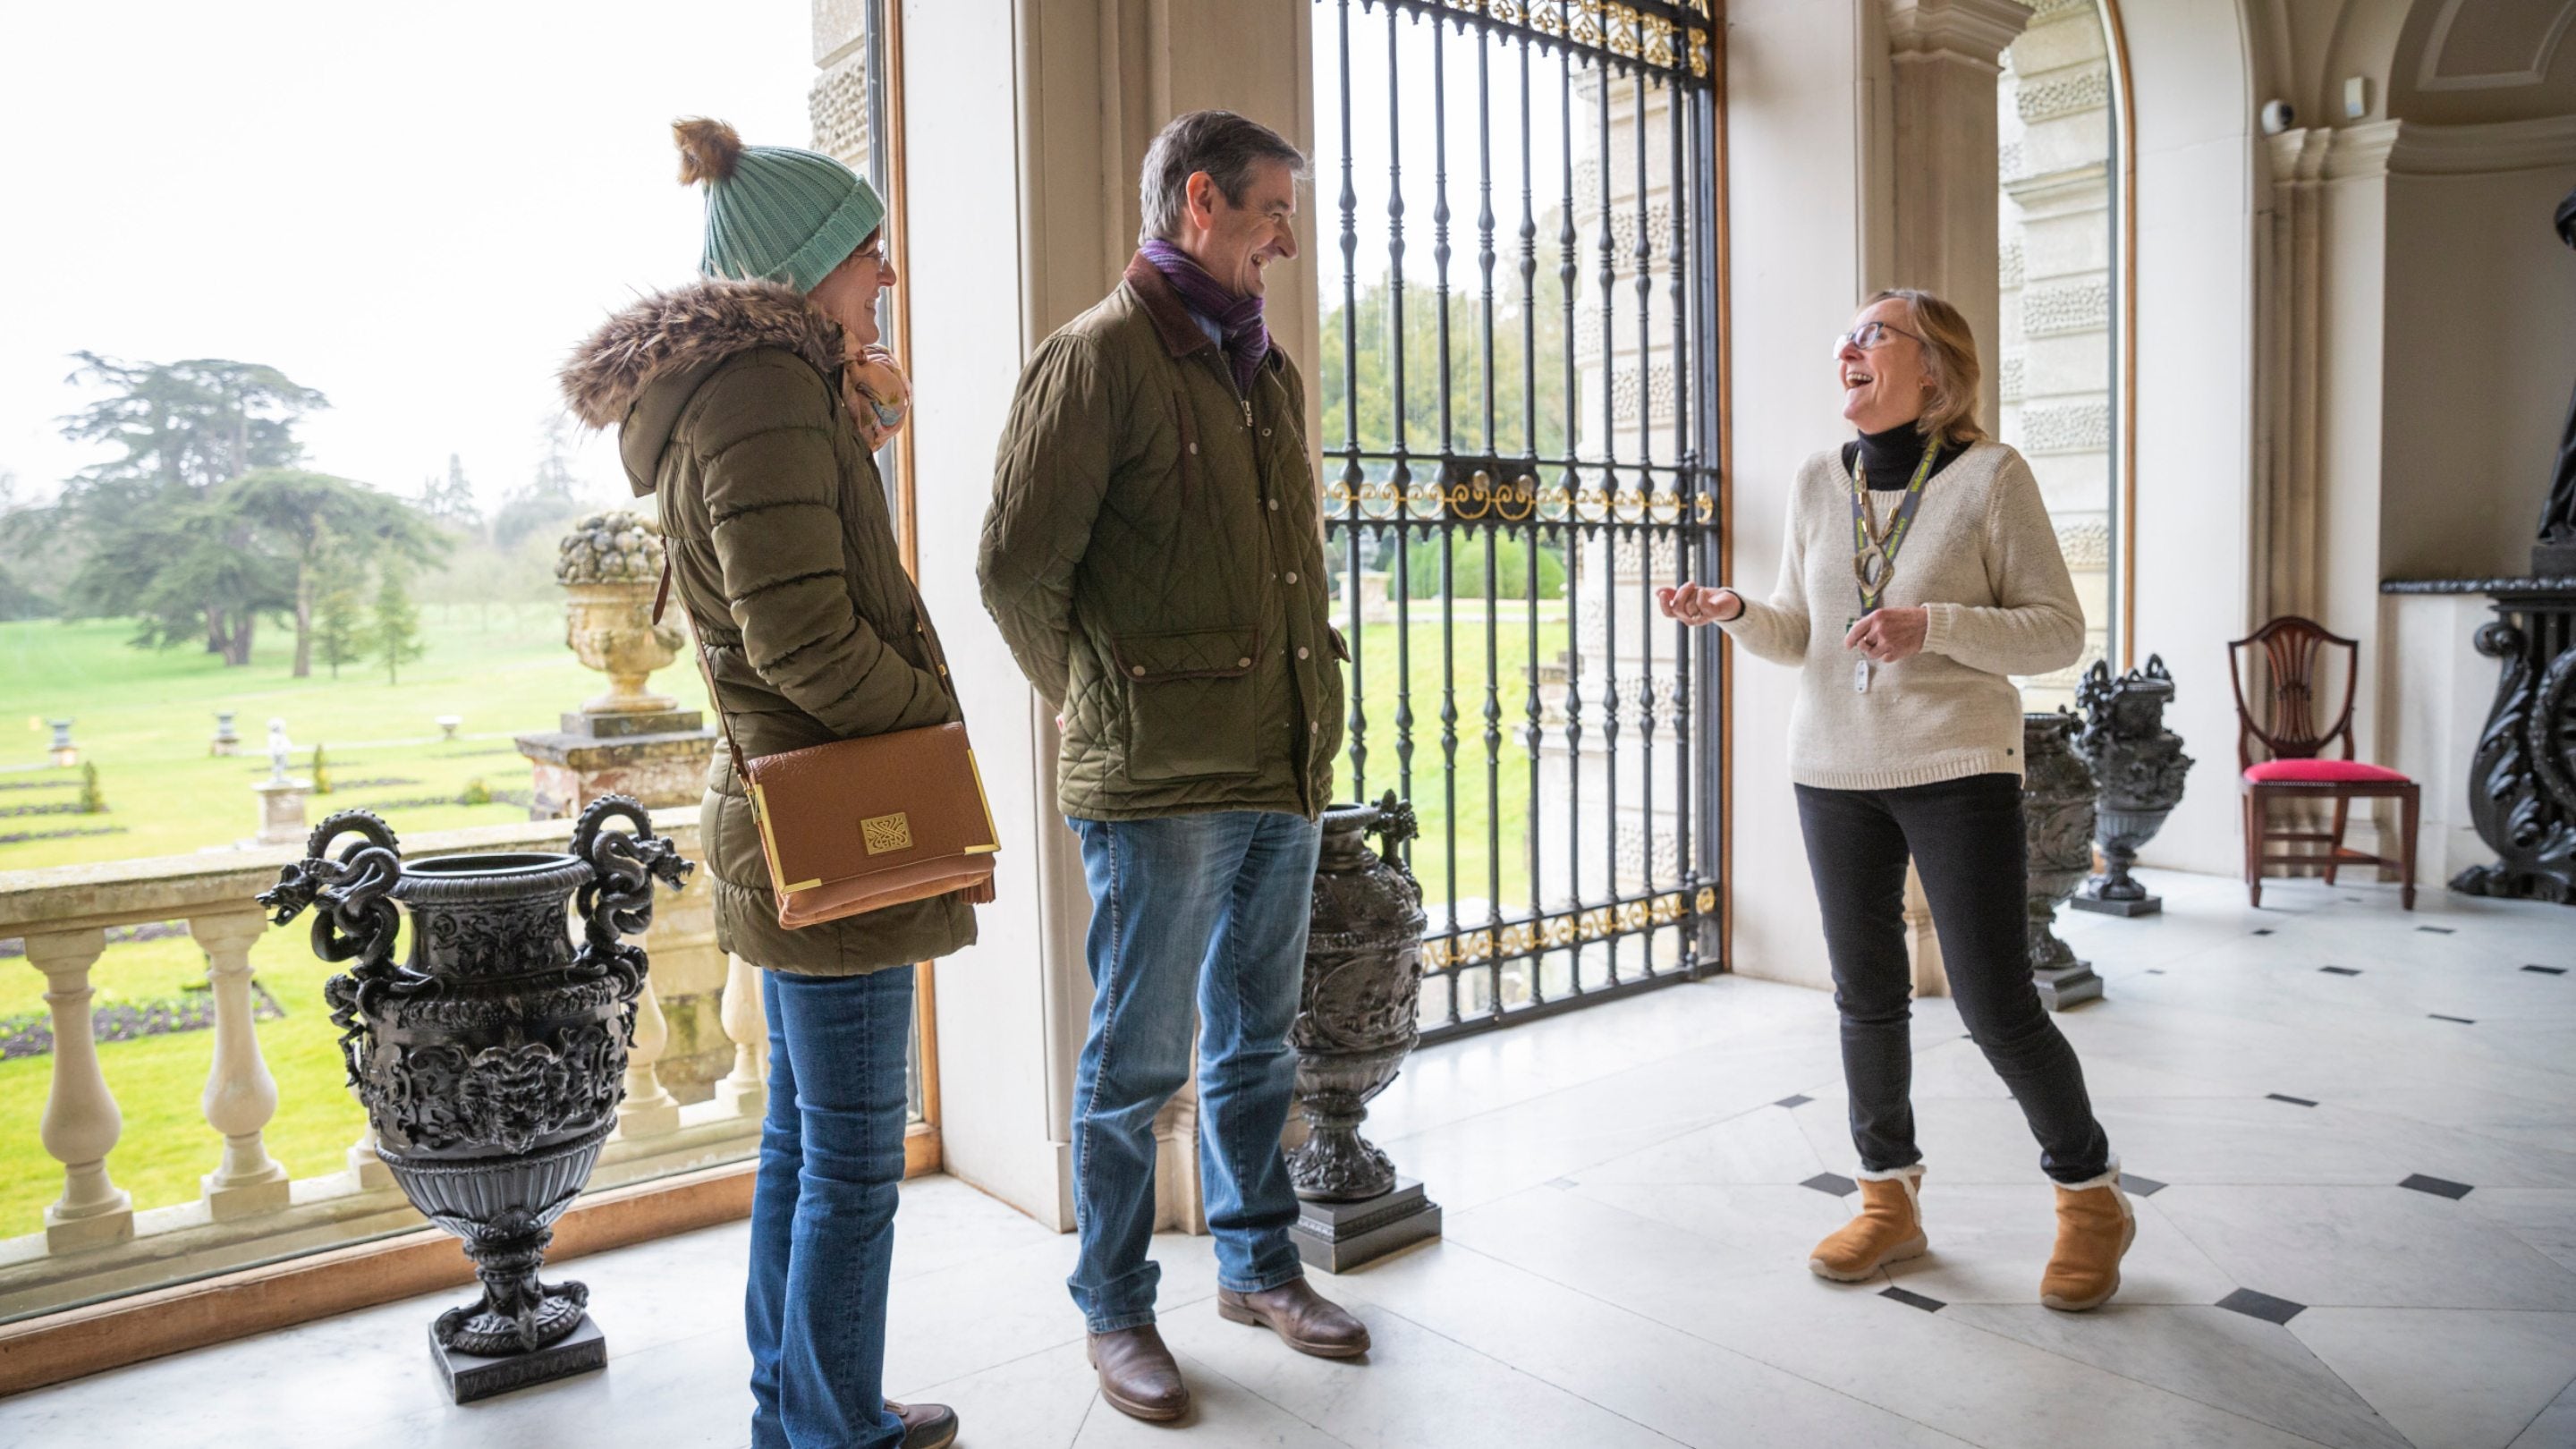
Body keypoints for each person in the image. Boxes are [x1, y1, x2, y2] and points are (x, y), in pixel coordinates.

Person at [562, 118, 970, 1449]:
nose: (885, 278)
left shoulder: (766, 386)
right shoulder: (760, 393)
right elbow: (805, 640)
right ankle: (834, 1431)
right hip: (835, 812)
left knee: (804, 1146)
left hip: (786, 810)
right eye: (867, 254)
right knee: (850, 1164)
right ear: (803, 266)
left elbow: (794, 587)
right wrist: (936, 727)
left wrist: (857, 409)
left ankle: (804, 1408)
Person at [979, 109, 1366, 1421]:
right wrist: (1105, 708)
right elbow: (1016, 572)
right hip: (1159, 787)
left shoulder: (1268, 372)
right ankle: (1114, 1308)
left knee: (1259, 1042)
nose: (1288, 240)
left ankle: (1258, 1270)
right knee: (1136, 1067)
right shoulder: (1092, 360)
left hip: (1283, 762)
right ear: (1200, 201)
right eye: (1270, 213)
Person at [1657, 288, 2134, 1312]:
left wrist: (1937, 625)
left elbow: (2057, 631)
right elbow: (1802, 632)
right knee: (1865, 997)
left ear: (1936, 367)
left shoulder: (1991, 476)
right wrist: (1737, 610)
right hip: (1832, 767)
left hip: (1958, 765)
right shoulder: (1816, 480)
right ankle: (1888, 1200)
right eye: (1847, 335)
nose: (1848, 349)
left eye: (1873, 334)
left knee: (1994, 1000)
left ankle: (2091, 1199)